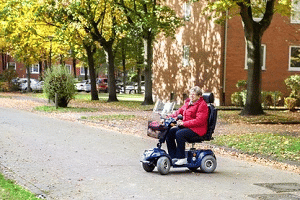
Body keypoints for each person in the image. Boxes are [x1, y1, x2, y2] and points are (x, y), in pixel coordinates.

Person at [166, 86, 209, 165]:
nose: (191, 96)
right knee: (170, 132)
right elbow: (179, 112)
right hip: (188, 127)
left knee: (180, 134)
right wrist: (168, 117)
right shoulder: (188, 103)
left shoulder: (202, 105)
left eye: (194, 95)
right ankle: (173, 156)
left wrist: (184, 123)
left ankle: (182, 158)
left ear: (199, 96)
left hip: (198, 129)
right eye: (190, 94)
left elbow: (199, 121)